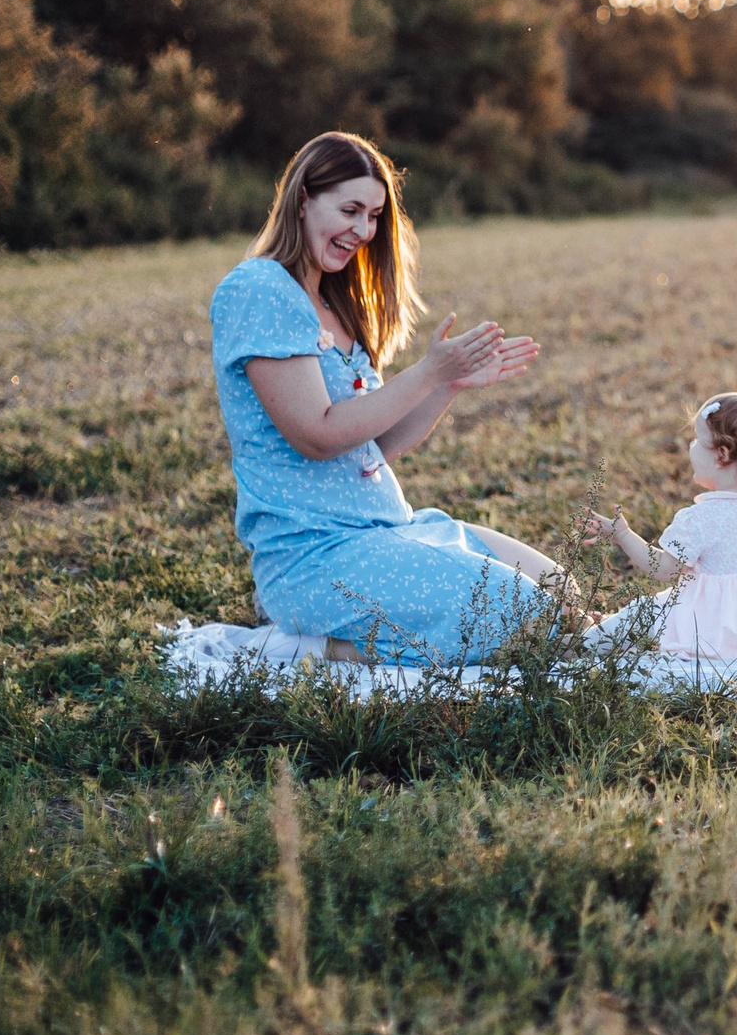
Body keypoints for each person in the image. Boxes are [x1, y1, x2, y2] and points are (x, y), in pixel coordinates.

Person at [209, 131, 554, 665]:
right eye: (349, 209)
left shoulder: (334, 303)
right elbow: (319, 436)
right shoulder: (261, 289)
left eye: (372, 215)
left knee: (565, 598)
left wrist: (449, 385)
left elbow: (374, 446)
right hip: (315, 554)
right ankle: (316, 646)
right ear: (302, 199)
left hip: (390, 532)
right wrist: (427, 370)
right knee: (529, 624)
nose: (363, 230)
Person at [579, 392, 737, 660]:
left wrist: (622, 535)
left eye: (698, 441)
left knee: (641, 613)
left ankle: (583, 646)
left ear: (722, 455)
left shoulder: (701, 518)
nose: (691, 446)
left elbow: (665, 569)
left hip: (712, 621)